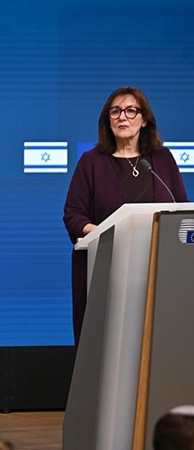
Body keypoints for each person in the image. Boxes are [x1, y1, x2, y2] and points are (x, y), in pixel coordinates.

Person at [63, 86, 187, 344]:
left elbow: (181, 210)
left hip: (157, 270)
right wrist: (101, 233)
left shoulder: (162, 159)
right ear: (107, 119)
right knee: (108, 343)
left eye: (131, 111)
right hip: (106, 270)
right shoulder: (91, 162)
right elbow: (74, 215)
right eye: (116, 111)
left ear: (144, 120)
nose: (123, 117)